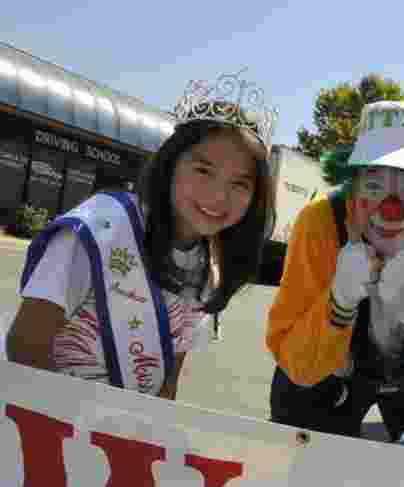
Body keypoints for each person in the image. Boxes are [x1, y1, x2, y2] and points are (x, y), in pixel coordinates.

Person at [5, 72, 275, 399]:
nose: (219, 196)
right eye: (204, 170)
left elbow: (167, 382)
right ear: (171, 163)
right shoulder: (102, 225)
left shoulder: (208, 269)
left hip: (123, 437)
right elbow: (26, 346)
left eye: (240, 183)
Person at [266, 101, 404, 441]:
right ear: (352, 186)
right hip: (335, 374)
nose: (390, 209)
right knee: (295, 450)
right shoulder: (321, 221)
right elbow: (298, 367)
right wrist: (339, 301)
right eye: (373, 187)